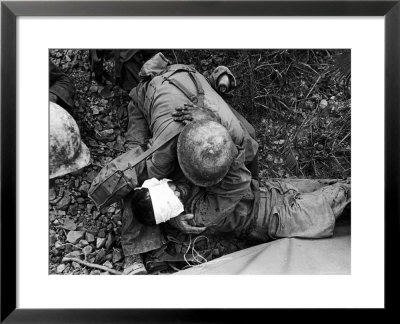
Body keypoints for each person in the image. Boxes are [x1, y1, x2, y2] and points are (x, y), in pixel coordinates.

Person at [89, 52, 259, 274]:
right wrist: (174, 216)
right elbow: (128, 178)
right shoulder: (162, 153)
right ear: (181, 158)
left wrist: (206, 212)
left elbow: (239, 180)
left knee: (251, 139)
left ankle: (259, 193)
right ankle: (133, 253)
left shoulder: (237, 138)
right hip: (150, 95)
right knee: (138, 180)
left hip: (191, 80)